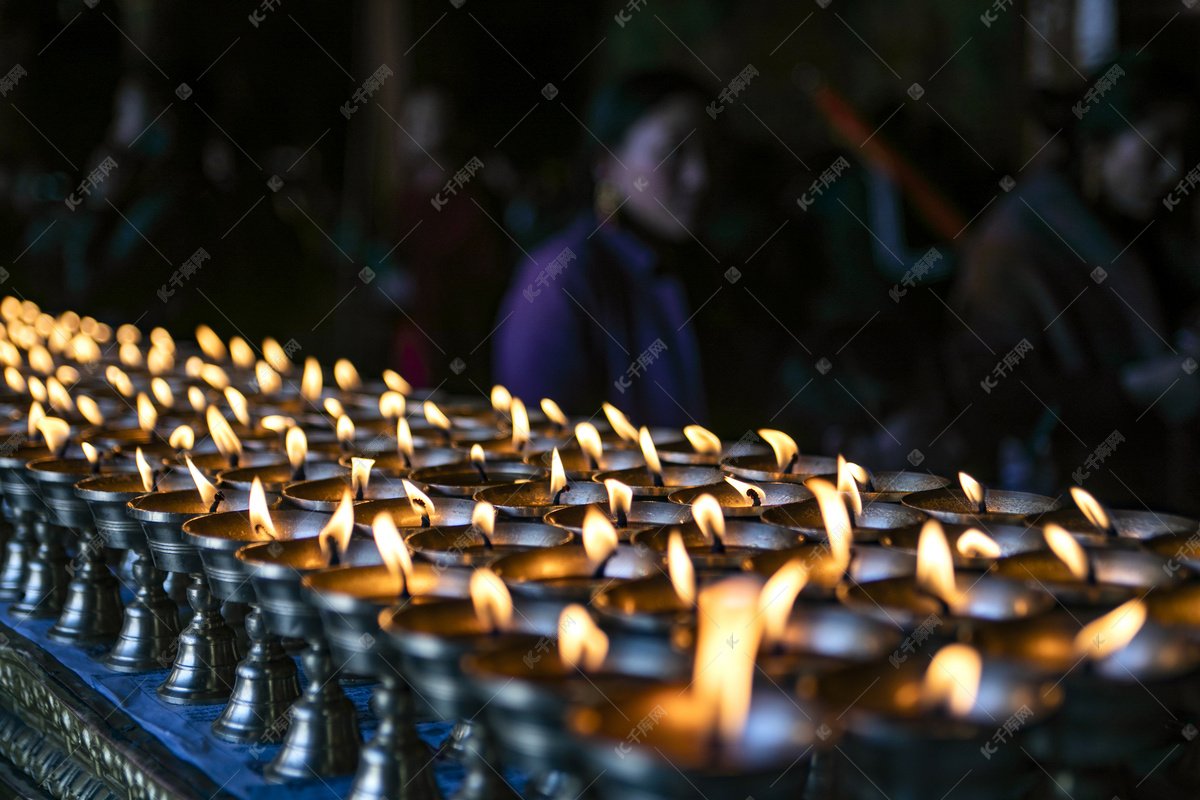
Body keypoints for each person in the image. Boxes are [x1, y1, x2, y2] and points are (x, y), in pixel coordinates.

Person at [944, 57, 1200, 510]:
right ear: (1097, 144)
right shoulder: (1017, 243)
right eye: (1157, 148)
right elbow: (991, 397)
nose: (1175, 171)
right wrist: (1132, 389)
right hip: (1068, 510)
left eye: (1186, 149)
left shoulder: (1156, 224)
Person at [492, 71, 712, 427]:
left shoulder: (702, 269)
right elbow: (535, 455)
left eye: (711, 150)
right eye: (673, 151)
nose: (700, 177)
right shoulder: (560, 281)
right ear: (606, 162)